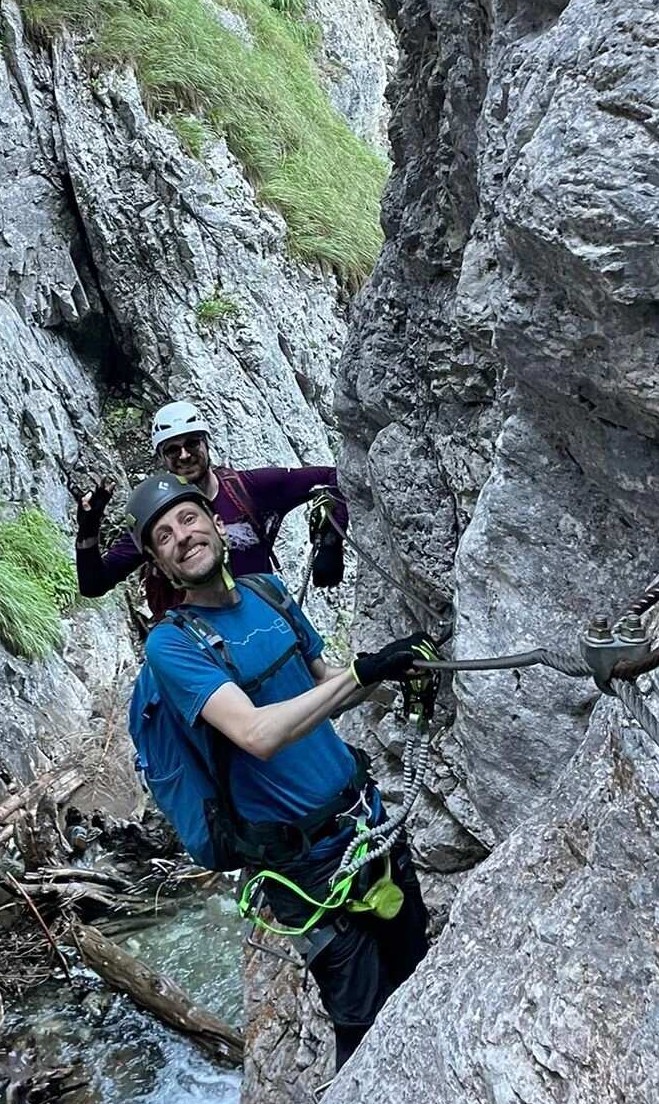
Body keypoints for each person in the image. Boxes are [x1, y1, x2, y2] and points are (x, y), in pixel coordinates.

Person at [128, 470, 432, 1069]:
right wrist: (363, 672)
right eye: (163, 537)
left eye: (189, 519)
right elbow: (256, 733)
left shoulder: (269, 592)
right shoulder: (172, 646)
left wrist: (393, 672)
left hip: (367, 825)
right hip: (307, 868)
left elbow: (326, 686)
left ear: (219, 526)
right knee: (363, 1026)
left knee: (417, 974)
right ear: (161, 567)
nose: (182, 536)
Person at [74, 398, 347, 611]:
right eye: (172, 449)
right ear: (162, 457)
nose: (184, 455)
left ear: (206, 443)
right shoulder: (158, 521)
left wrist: (332, 542)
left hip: (265, 622)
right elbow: (95, 585)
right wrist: (87, 532)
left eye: (192, 443)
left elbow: (337, 477)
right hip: (203, 648)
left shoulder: (250, 489)